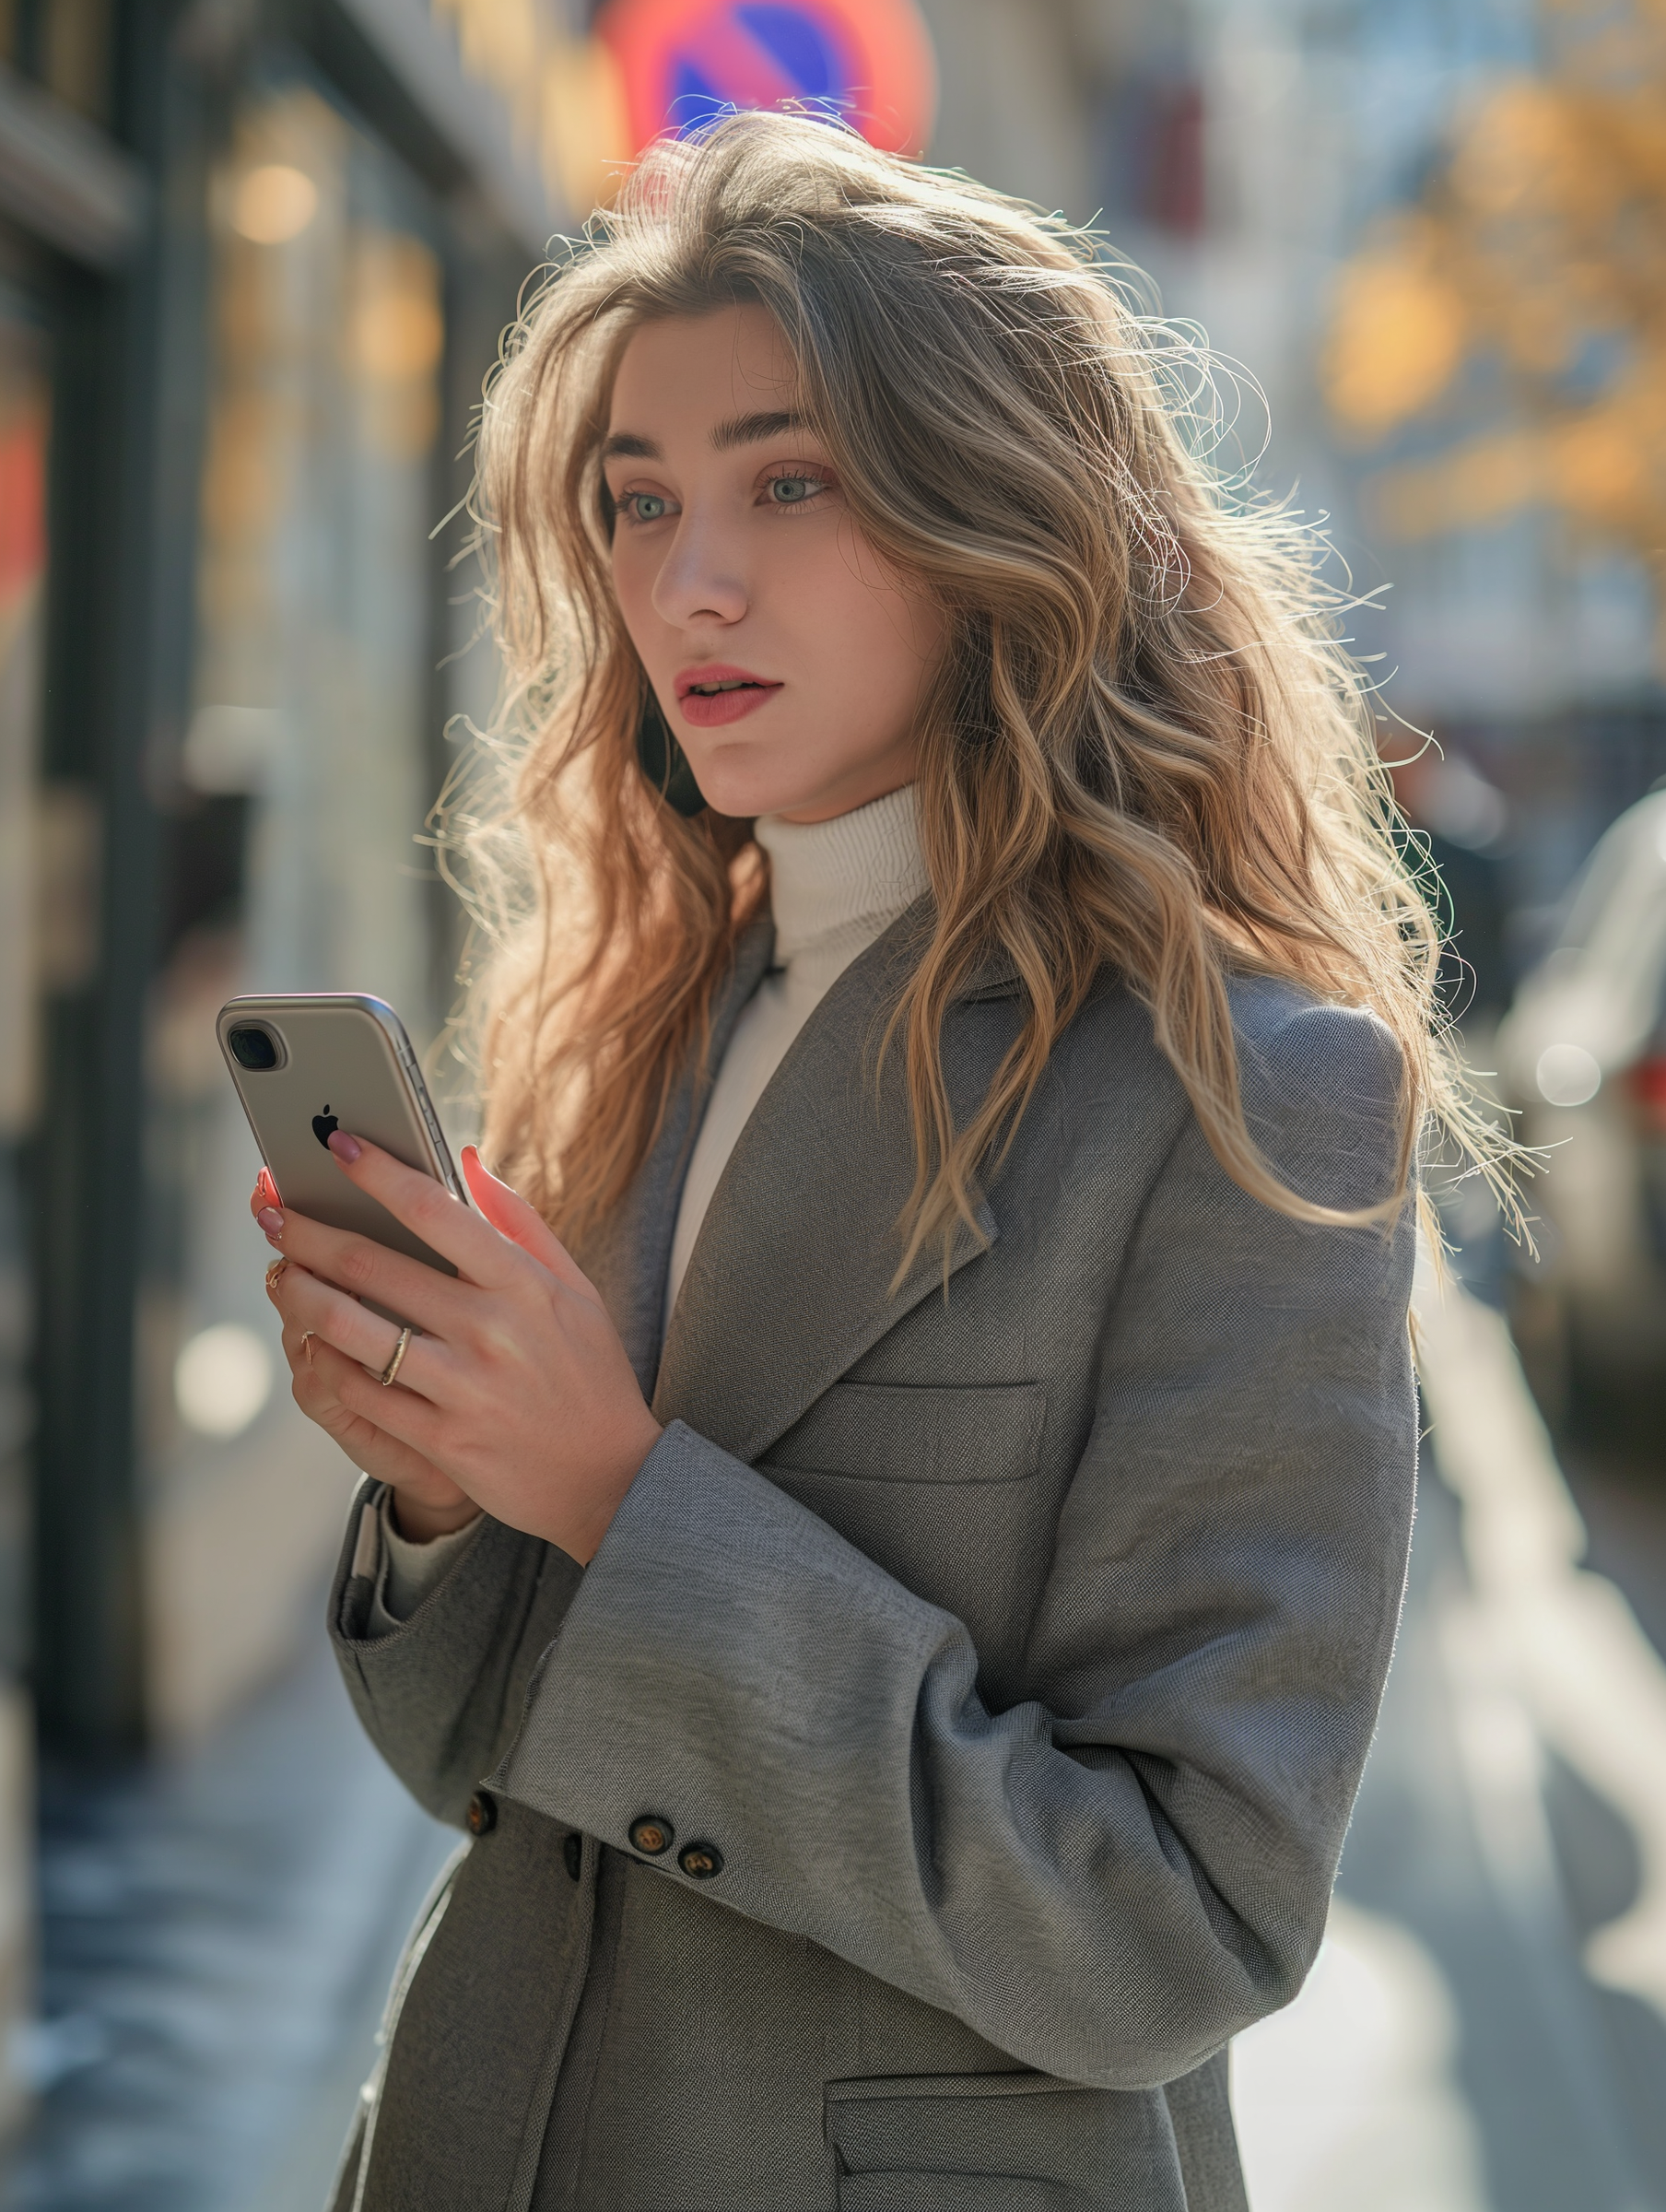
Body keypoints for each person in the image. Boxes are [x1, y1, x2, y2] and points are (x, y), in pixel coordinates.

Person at [253, 112, 1497, 2212]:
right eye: (638, 504)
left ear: (988, 514)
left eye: (788, 481)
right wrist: (454, 1497)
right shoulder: (646, 1020)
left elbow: (1174, 1926)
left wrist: (613, 1495)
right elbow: (501, 1778)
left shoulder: (1243, 1096)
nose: (687, 579)